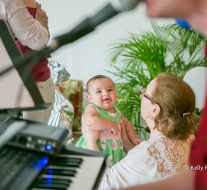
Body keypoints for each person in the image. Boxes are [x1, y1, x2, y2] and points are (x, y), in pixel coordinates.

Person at [82, 72, 199, 189]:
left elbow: (101, 186)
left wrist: (90, 142)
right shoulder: (189, 137)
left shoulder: (146, 153)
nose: (141, 96)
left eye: (145, 94)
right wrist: (128, 143)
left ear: (155, 109)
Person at [0, 0, 55, 123]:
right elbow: (39, 41)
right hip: (13, 87)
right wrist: (43, 25)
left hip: (33, 84)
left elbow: (38, 42)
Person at [76, 75, 141, 166]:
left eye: (109, 90)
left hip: (115, 151)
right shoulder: (93, 109)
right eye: (99, 91)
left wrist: (133, 137)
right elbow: (91, 122)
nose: (105, 93)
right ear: (90, 98)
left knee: (112, 172)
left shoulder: (117, 112)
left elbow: (126, 124)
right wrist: (110, 124)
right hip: (96, 148)